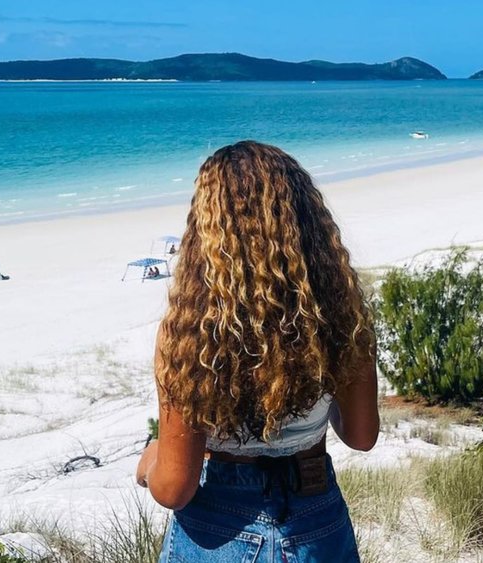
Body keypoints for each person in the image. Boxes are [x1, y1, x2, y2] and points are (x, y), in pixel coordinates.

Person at [136, 141, 378, 562]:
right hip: (314, 514)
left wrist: (149, 461)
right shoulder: (340, 316)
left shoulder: (190, 332)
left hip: (219, 525)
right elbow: (361, 435)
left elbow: (174, 488)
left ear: (206, 230)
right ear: (306, 223)